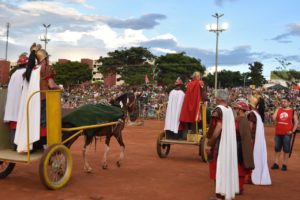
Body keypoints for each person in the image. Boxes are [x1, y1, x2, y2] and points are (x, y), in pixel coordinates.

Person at [15, 44, 61, 152]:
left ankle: (35, 144)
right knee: (45, 122)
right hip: (44, 99)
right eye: (47, 58)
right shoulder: (46, 68)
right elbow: (51, 85)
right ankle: (45, 146)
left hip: (33, 100)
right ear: (45, 58)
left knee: (36, 122)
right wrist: (60, 87)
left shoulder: (31, 69)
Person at [206, 89, 239, 200]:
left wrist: (210, 144)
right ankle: (224, 194)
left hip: (219, 144)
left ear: (219, 98)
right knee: (225, 168)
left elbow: (218, 128)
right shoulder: (229, 110)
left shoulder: (218, 110)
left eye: (216, 97)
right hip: (228, 144)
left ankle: (219, 196)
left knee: (218, 169)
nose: (215, 99)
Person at [4, 53, 28, 150]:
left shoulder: (14, 74)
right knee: (21, 124)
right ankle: (20, 145)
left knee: (14, 124)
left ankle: (14, 145)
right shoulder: (26, 72)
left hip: (12, 102)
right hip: (20, 101)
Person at [247, 94, 272, 185]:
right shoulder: (258, 114)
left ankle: (251, 176)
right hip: (257, 140)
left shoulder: (252, 114)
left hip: (253, 139)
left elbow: (250, 127)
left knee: (251, 157)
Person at [271, 96, 298, 171]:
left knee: (286, 149)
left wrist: (292, 131)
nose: (283, 103)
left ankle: (284, 164)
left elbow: (296, 122)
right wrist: (275, 113)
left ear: (289, 103)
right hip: (278, 132)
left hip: (287, 133)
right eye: (282, 101)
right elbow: (273, 118)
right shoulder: (278, 109)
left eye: (285, 101)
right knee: (277, 148)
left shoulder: (292, 111)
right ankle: (276, 163)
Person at [233, 101, 255, 194]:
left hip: (240, 147)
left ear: (241, 110)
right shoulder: (238, 119)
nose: (236, 110)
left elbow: (245, 137)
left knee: (240, 168)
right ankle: (237, 187)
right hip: (236, 145)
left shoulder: (242, 120)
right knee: (236, 168)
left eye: (237, 108)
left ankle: (239, 188)